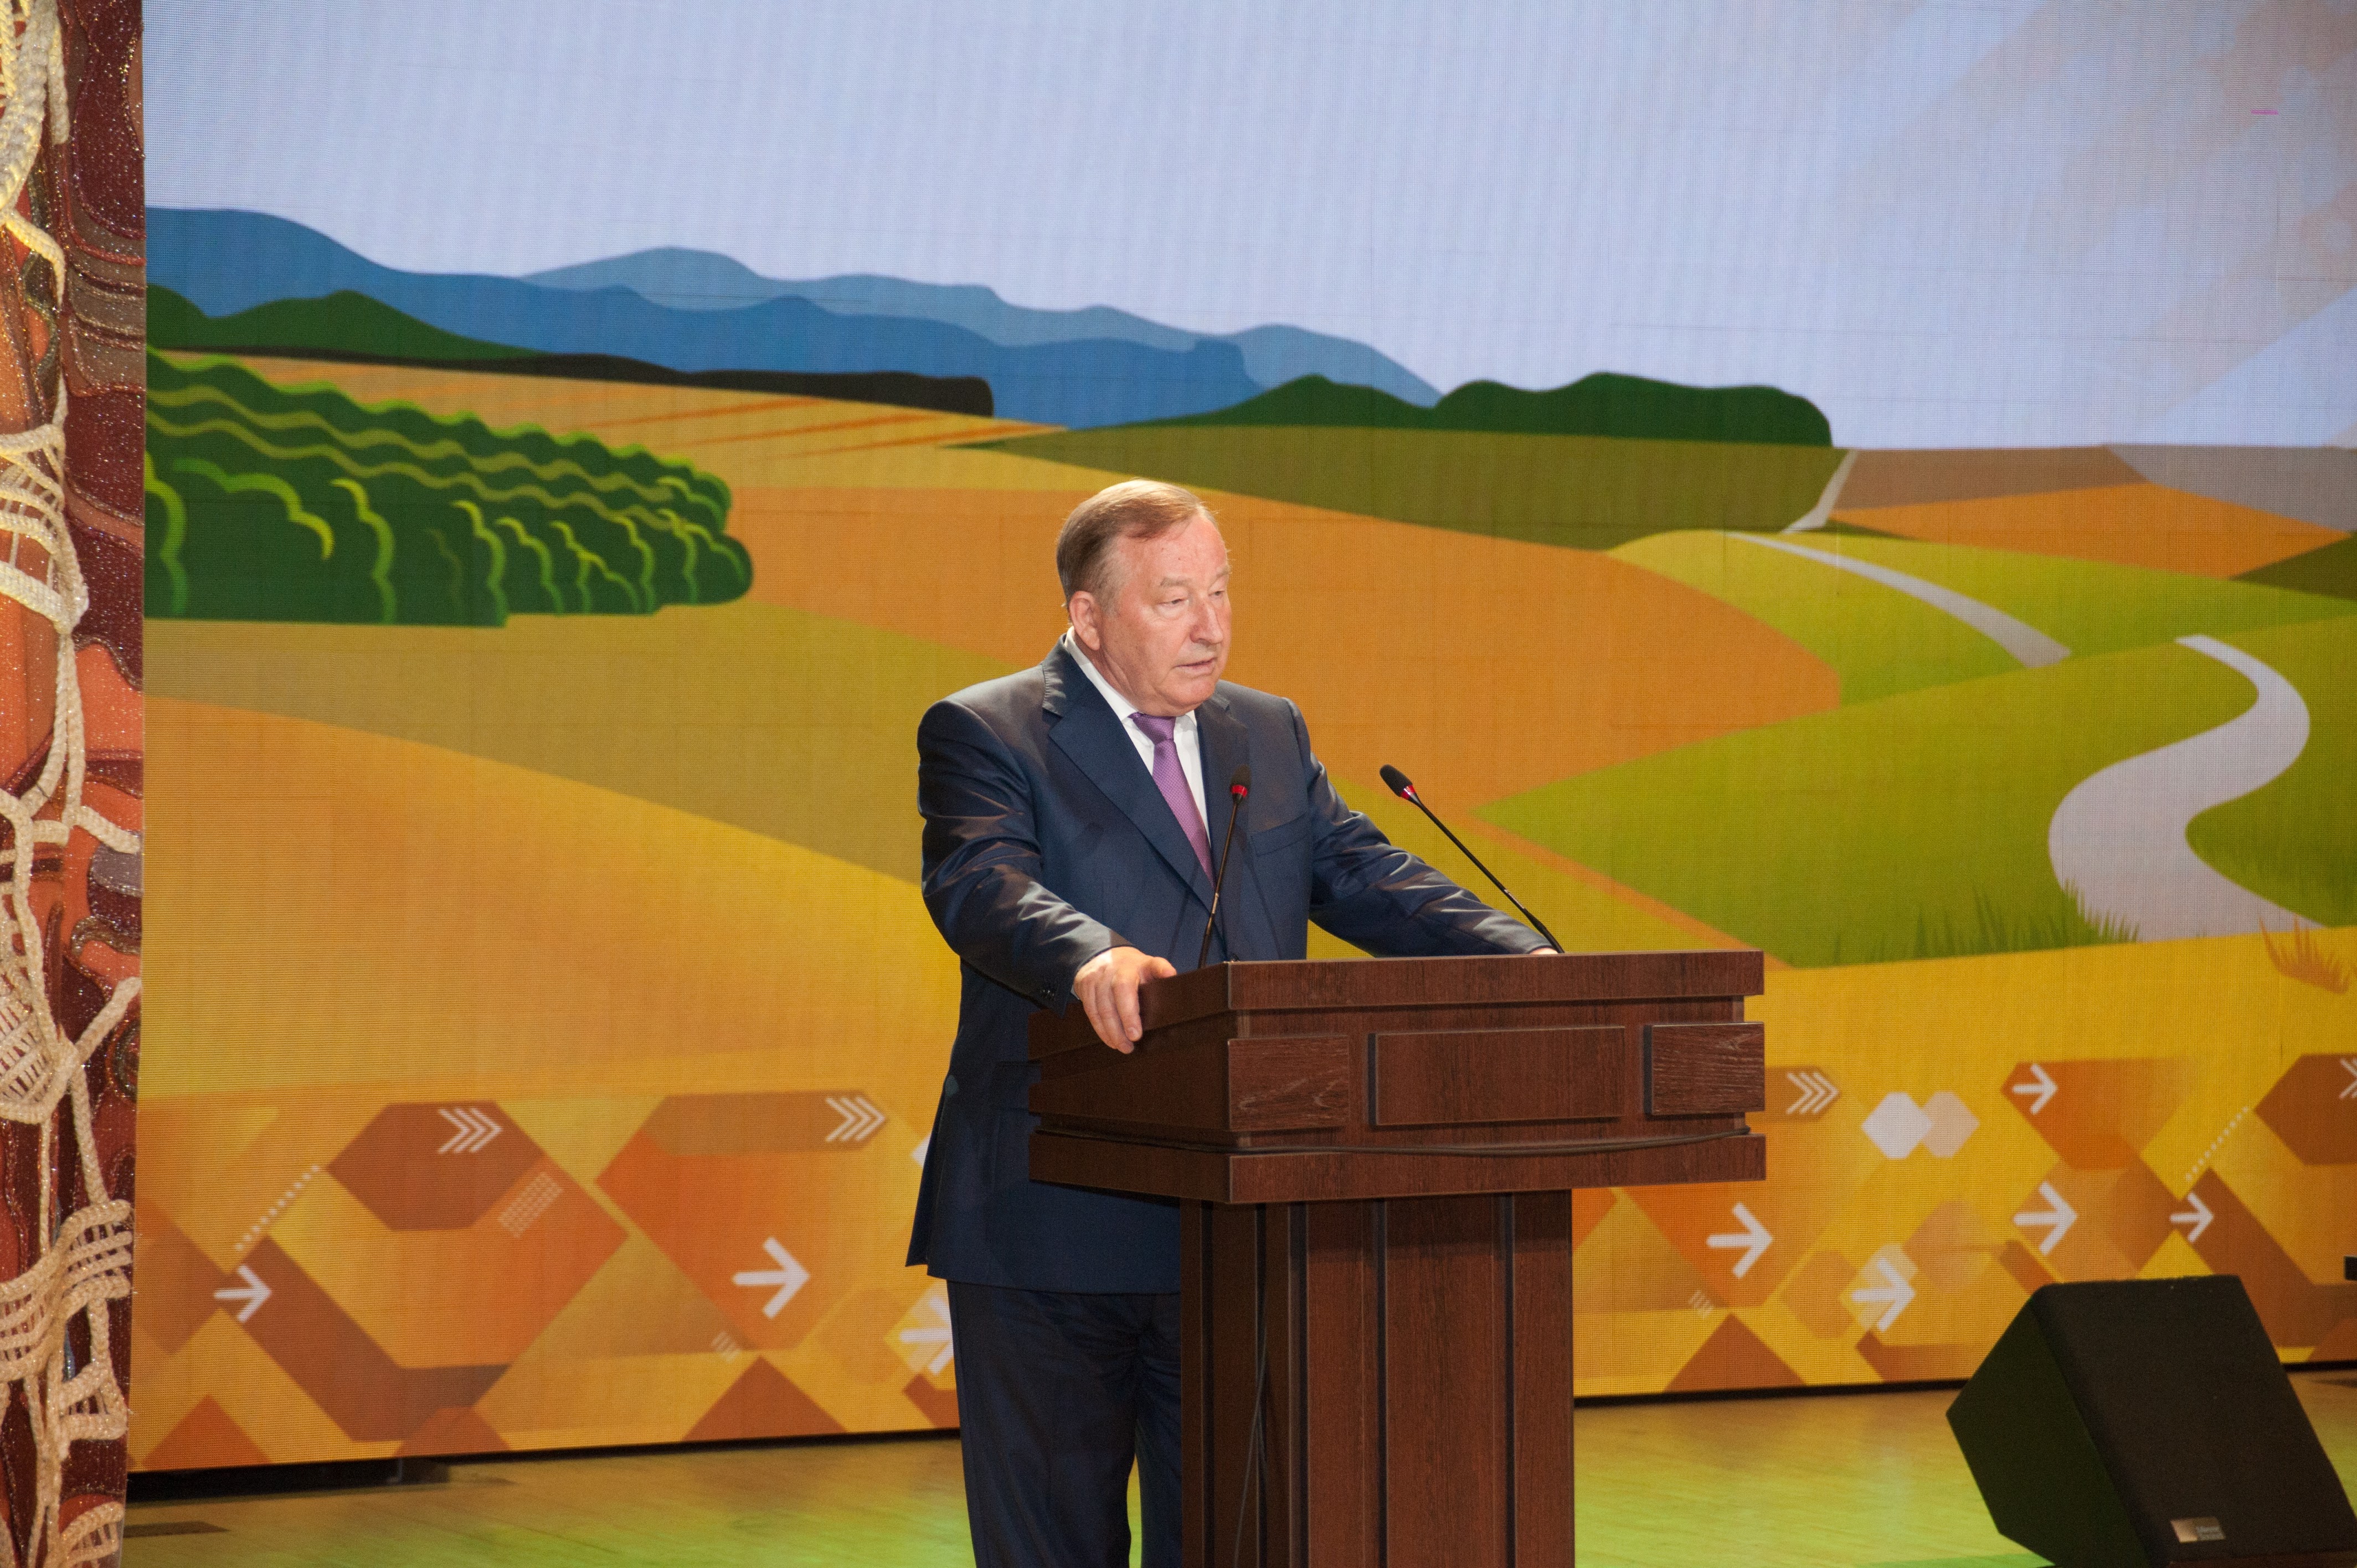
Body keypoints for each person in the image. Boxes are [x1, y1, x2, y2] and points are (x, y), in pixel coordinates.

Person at [909, 478, 1553, 1567]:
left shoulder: (1265, 730)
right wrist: (1089, 955)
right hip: (1050, 1218)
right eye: (1173, 600)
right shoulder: (989, 729)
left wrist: (1526, 966)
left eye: (1219, 592)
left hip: (1238, 1228)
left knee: (1237, 1539)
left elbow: (1360, 872)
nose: (1210, 626)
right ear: (1088, 617)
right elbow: (981, 883)